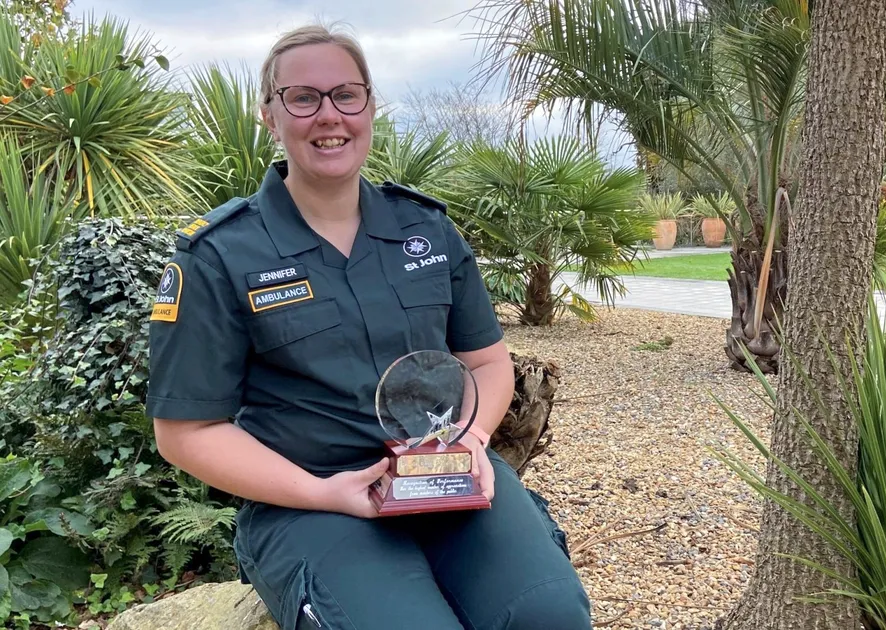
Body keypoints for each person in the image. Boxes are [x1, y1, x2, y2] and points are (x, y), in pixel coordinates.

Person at [145, 22, 592, 630]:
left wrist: (473, 439)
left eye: (346, 95)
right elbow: (186, 431)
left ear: (370, 106)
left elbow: (488, 363)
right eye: (303, 98)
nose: (328, 115)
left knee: (547, 615)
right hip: (309, 500)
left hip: (445, 477)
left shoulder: (426, 231)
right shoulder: (221, 255)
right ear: (269, 117)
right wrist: (324, 493)